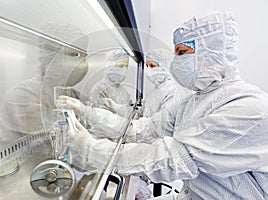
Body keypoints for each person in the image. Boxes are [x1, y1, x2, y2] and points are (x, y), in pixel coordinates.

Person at [61, 12, 268, 199]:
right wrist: (87, 112)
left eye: (181, 52)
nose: (174, 61)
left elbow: (175, 158)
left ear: (210, 53)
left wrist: (92, 150)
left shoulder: (247, 108)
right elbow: (144, 129)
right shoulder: (196, 101)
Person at [0, 24, 88, 145]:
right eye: (74, 55)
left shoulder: (71, 93)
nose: (81, 63)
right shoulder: (21, 95)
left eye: (84, 56)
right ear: (51, 57)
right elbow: (56, 135)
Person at [90, 48, 132, 113]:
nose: (124, 69)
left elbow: (129, 113)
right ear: (109, 66)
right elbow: (101, 118)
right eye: (121, 66)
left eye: (126, 66)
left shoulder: (124, 91)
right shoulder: (99, 89)